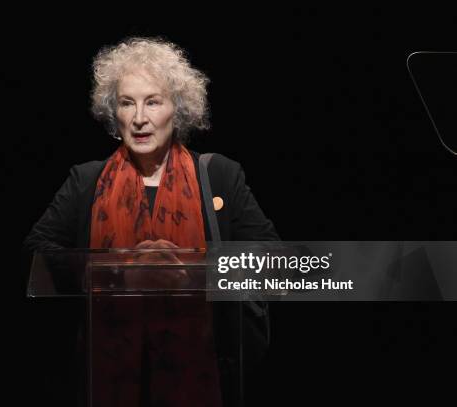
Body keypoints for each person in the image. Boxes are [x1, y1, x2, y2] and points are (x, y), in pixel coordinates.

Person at [26, 37, 279, 407]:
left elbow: (272, 260)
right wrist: (120, 271)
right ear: (116, 113)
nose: (140, 118)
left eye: (153, 101)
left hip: (202, 377)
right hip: (103, 380)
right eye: (127, 103)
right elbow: (34, 256)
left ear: (178, 110)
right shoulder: (86, 181)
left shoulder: (221, 176)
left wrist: (191, 273)